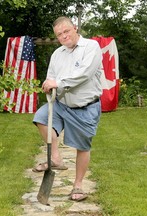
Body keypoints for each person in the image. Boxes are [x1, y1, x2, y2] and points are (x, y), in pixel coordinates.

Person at [32, 16, 102, 202]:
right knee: (40, 117)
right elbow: (51, 77)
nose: (63, 36)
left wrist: (58, 83)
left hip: (85, 107)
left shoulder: (91, 47)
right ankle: (56, 158)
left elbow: (85, 74)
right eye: (59, 34)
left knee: (82, 146)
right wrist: (48, 84)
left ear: (75, 28)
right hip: (61, 104)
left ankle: (77, 185)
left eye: (66, 31)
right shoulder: (57, 55)